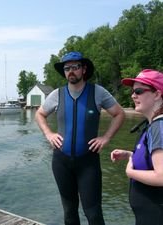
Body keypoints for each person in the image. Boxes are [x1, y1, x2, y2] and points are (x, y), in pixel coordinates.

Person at [35, 51, 125, 225]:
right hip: (61, 161)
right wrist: (48, 133)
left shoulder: (97, 92)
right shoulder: (57, 94)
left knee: (93, 213)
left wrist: (106, 137)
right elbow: (39, 114)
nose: (71, 71)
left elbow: (119, 114)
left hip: (88, 162)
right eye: (67, 68)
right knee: (69, 211)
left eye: (75, 67)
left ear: (83, 69)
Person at [111, 69, 163, 225]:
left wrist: (130, 172)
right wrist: (130, 155)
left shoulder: (158, 127)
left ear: (157, 95)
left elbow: (161, 176)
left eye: (139, 91)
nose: (133, 95)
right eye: (133, 91)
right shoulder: (152, 124)